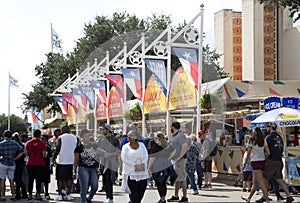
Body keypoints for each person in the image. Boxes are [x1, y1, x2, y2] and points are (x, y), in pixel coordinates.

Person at [259, 123, 294, 203]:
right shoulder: (279, 137)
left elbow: (266, 149)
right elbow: (282, 148)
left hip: (271, 160)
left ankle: (265, 196)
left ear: (271, 127)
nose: (267, 128)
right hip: (279, 160)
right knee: (279, 179)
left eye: (268, 126)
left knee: (265, 178)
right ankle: (288, 196)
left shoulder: (269, 137)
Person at [241, 127, 270, 203]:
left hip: (255, 162)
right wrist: (261, 153)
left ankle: (267, 199)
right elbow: (268, 152)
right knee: (255, 182)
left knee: (261, 182)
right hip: (262, 161)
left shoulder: (252, 140)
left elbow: (249, 153)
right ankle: (249, 198)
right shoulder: (263, 140)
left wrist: (245, 162)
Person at [121, 130, 148, 203]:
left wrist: (142, 164)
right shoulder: (125, 147)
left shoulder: (141, 145)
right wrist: (134, 165)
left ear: (136, 137)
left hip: (141, 172)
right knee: (134, 194)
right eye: (128, 136)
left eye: (131, 135)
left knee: (141, 191)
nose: (129, 137)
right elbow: (124, 158)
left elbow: (145, 155)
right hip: (130, 173)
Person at [52, 125, 78, 201]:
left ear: (63, 130)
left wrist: (53, 158)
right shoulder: (74, 138)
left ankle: (60, 195)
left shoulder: (61, 137)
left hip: (61, 161)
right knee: (69, 179)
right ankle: (68, 194)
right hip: (70, 161)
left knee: (60, 178)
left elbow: (57, 149)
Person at [73, 129, 99, 203]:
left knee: (95, 187)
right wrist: (74, 171)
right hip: (83, 168)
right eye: (86, 136)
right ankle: (83, 201)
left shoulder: (94, 145)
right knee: (84, 187)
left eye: (89, 136)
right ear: (82, 138)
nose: (88, 138)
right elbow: (76, 160)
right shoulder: (79, 148)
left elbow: (99, 153)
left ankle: (89, 198)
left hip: (93, 168)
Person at [167, 122, 190, 203]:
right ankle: (176, 196)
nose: (170, 129)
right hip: (175, 160)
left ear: (173, 127)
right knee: (177, 178)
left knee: (182, 178)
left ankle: (184, 197)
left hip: (180, 160)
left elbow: (184, 146)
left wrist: (179, 157)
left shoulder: (180, 135)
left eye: (171, 127)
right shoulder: (175, 136)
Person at [149, 131, 174, 203]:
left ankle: (162, 199)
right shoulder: (167, 145)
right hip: (166, 165)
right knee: (163, 182)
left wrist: (149, 168)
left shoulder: (156, 146)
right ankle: (163, 198)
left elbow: (152, 158)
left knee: (159, 183)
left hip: (157, 166)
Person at [97, 123, 120, 203]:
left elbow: (118, 151)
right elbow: (97, 148)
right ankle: (108, 197)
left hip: (111, 161)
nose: (102, 131)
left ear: (108, 130)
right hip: (102, 160)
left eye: (103, 129)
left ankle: (110, 197)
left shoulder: (114, 139)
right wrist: (102, 152)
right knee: (104, 179)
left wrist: (110, 154)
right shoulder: (101, 139)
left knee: (109, 179)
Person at [0, 130, 24, 201]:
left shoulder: (1, 143)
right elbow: (22, 151)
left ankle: (3, 196)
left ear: (4, 135)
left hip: (3, 163)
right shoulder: (15, 143)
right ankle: (13, 195)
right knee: (12, 180)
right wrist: (16, 158)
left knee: (2, 180)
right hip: (12, 163)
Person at [24, 129, 46, 202]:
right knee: (38, 179)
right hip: (39, 163)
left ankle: (30, 195)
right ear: (40, 135)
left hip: (30, 162)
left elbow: (25, 153)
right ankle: (38, 194)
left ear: (33, 134)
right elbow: (43, 154)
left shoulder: (28, 143)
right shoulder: (42, 143)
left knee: (30, 179)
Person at [12, 133, 27, 200]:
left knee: (17, 179)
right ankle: (24, 193)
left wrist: (15, 158)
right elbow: (24, 154)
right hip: (21, 163)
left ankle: (18, 194)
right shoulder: (22, 145)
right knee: (19, 179)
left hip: (16, 163)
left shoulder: (15, 145)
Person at [41, 134, 52, 200]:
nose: (41, 140)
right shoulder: (49, 146)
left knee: (43, 180)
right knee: (45, 180)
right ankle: (46, 193)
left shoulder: (46, 146)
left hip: (44, 164)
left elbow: (47, 155)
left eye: (43, 138)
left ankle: (45, 193)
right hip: (45, 164)